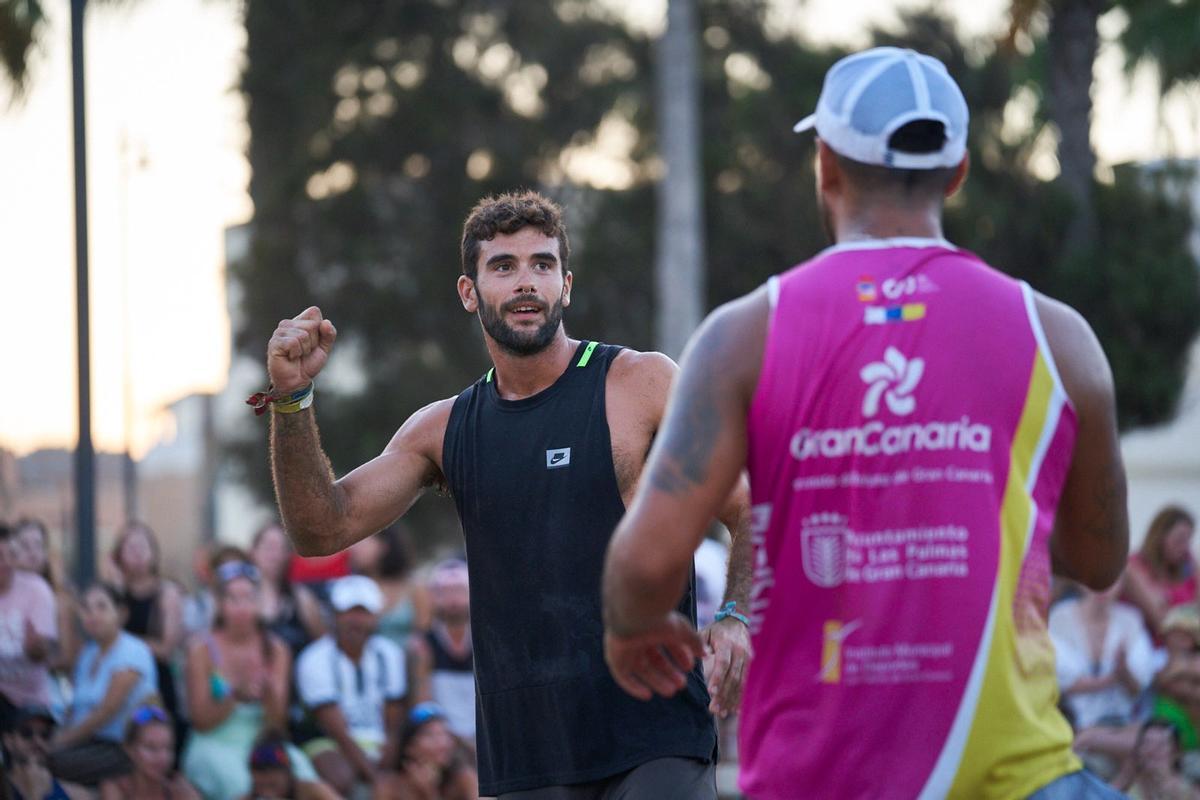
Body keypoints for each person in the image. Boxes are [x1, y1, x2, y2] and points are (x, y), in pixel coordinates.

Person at [600, 46, 1130, 800]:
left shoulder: (743, 335)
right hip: (1016, 779)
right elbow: (1099, 559)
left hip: (816, 781)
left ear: (826, 164)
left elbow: (643, 566)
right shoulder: (1061, 337)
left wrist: (630, 625)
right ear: (956, 173)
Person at [263, 190, 751, 799]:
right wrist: (291, 399)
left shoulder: (641, 383)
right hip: (526, 754)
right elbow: (320, 529)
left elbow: (748, 507)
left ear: (565, 285)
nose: (527, 283)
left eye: (542, 265)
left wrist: (735, 616)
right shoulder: (444, 429)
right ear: (469, 292)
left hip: (654, 735)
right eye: (504, 266)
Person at [181, 560, 315, 800]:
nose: (242, 607)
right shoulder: (200, 650)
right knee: (244, 786)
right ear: (220, 604)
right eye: (233, 599)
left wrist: (269, 694)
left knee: (305, 778)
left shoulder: (276, 649)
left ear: (259, 602)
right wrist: (236, 694)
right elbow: (200, 721)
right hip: (215, 742)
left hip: (263, 741)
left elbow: (278, 724)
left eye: (249, 598)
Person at [295, 575, 406, 796]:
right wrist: (377, 779)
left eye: (363, 612)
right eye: (349, 611)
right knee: (342, 777)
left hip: (377, 739)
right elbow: (335, 729)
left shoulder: (390, 654)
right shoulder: (315, 658)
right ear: (335, 615)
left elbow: (393, 724)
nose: (356, 620)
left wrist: (387, 762)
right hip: (328, 741)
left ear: (375, 617)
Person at [49, 583, 158, 786]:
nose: (92, 615)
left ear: (122, 613)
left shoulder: (133, 651)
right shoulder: (88, 653)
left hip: (120, 748)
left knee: (50, 762)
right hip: (85, 742)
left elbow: (106, 711)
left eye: (102, 607)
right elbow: (75, 707)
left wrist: (61, 741)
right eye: (86, 609)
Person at [1051, 577, 1157, 774]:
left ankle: (1094, 741)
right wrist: (1111, 679)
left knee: (1155, 741)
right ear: (1081, 581)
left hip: (1119, 723)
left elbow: (1137, 689)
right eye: (1098, 580)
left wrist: (1123, 671)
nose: (1103, 588)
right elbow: (1056, 683)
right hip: (1071, 722)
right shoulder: (1060, 617)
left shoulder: (1130, 620)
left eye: (1111, 581)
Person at [111, 523, 185, 731]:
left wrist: (124, 640)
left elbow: (166, 649)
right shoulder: (114, 594)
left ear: (154, 553)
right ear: (118, 555)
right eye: (130, 548)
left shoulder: (167, 593)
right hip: (117, 685)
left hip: (156, 684)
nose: (137, 554)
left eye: (143, 547)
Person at [408, 560, 473, 744]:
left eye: (459, 591)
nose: (453, 600)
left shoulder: (487, 640)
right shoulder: (422, 646)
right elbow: (422, 708)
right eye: (445, 592)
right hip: (444, 740)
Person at [0, 524, 58, 714]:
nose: (6, 563)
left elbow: (41, 652)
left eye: (11, 555)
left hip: (29, 703)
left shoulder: (37, 590)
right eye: (1, 556)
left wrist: (37, 647)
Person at [373, 703, 478, 800]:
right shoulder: (389, 785)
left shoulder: (464, 779)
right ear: (409, 747)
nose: (442, 743)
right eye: (430, 736)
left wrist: (429, 793)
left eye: (445, 734)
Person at [250, 522, 326, 656]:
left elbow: (323, 645)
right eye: (269, 547)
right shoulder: (242, 596)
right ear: (253, 551)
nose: (275, 555)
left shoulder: (302, 597)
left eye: (281, 548)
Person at [348, 526, 430, 650]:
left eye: (361, 541)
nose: (353, 549)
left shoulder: (414, 587)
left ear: (384, 545)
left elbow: (424, 636)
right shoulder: (350, 588)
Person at [1124, 506, 1197, 642]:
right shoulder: (1134, 568)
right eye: (1179, 539)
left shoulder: (1188, 568)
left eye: (1188, 540)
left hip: (1182, 646)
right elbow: (1163, 623)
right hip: (1151, 648)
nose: (1185, 547)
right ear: (1159, 536)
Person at [98, 705, 200, 800]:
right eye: (151, 748)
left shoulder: (179, 790)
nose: (162, 757)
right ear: (129, 750)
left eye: (168, 748)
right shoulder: (115, 788)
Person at [0, 706, 88, 800]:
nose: (37, 741)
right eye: (27, 733)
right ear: (8, 741)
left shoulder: (76, 794)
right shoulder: (3, 789)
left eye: (45, 735)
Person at [237, 732, 341, 800]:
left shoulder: (312, 790)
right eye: (261, 786)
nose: (266, 777)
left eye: (272, 785)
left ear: (287, 773)